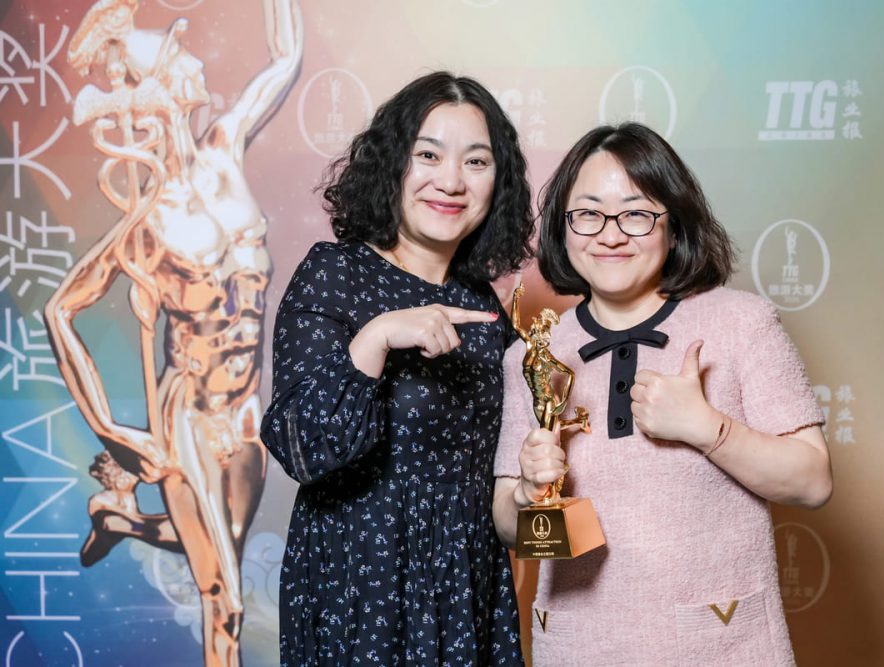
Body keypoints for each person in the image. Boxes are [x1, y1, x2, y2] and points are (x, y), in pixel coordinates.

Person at [492, 123, 833, 666]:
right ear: (562, 227)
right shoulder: (532, 355)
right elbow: (510, 527)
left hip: (720, 645)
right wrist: (528, 494)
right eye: (588, 214)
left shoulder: (742, 324)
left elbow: (812, 481)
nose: (610, 235)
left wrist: (707, 429)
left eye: (635, 214)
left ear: (673, 226)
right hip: (577, 648)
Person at [47, 1, 302, 665]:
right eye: (177, 53)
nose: (195, 60)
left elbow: (285, 58)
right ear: (155, 93)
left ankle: (121, 518)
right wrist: (111, 431)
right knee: (226, 600)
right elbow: (61, 310)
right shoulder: (145, 224)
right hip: (190, 414)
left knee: (217, 550)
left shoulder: (226, 149)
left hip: (247, 410)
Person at [260, 71, 534, 665]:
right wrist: (378, 337)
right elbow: (302, 448)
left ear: (499, 183)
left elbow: (504, 471)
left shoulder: (484, 306)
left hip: (466, 584)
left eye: (476, 162)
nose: (451, 181)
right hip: (361, 583)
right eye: (428, 155)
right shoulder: (335, 274)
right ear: (391, 164)